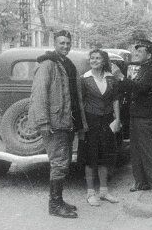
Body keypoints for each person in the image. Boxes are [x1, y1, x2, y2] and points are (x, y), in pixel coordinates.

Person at [28, 30, 87, 219]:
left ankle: (59, 200)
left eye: (68, 43)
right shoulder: (47, 65)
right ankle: (54, 204)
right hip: (54, 124)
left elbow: (75, 97)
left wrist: (81, 124)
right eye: (62, 43)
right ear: (54, 43)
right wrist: (43, 122)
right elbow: (39, 94)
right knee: (59, 163)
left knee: (64, 162)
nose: (65, 46)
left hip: (67, 122)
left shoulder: (67, 64)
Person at [122, 40, 152, 197]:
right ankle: (141, 182)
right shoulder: (142, 69)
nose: (136, 54)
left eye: (139, 52)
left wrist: (121, 78)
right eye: (136, 51)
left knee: (149, 151)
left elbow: (139, 88)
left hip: (146, 118)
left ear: (149, 55)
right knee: (136, 151)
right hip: (136, 116)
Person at [79, 49, 121, 206]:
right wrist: (82, 125)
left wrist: (117, 119)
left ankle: (103, 191)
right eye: (92, 58)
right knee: (90, 157)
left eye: (98, 58)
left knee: (105, 156)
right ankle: (90, 193)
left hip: (107, 121)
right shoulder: (84, 79)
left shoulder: (111, 79)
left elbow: (115, 100)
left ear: (104, 61)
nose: (94, 60)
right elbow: (80, 103)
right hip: (90, 121)